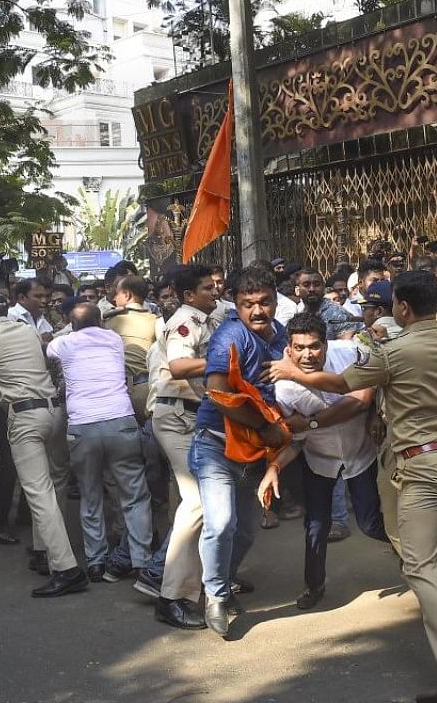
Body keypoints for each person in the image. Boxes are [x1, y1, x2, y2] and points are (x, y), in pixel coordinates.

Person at [269, 271, 437, 701]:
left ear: (401, 306)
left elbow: (342, 384)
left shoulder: (391, 353)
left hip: (422, 466)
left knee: (421, 565)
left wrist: (294, 372)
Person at [0, 287, 87, 597]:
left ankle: (66, 569)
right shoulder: (27, 331)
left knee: (39, 494)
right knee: (51, 485)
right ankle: (43, 551)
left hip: (25, 416)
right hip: (53, 411)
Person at [262, 313, 386, 610]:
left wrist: (366, 414)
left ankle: (416, 558)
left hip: (361, 453)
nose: (307, 355)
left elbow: (362, 397)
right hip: (319, 459)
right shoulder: (283, 388)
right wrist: (275, 467)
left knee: (371, 523)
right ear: (288, 350)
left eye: (315, 347)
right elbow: (295, 437)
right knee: (316, 525)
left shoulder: (351, 353)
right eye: (300, 348)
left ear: (326, 345)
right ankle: (313, 586)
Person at [190, 266, 288, 638]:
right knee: (220, 524)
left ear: (276, 301)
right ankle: (213, 596)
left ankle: (225, 582)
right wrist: (264, 426)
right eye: (248, 304)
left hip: (255, 451)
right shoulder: (231, 334)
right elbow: (216, 390)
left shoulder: (281, 337)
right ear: (236, 305)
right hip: (215, 442)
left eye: (264, 302)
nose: (258, 311)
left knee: (245, 533)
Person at [46, 303, 154, 581]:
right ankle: (141, 560)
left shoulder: (64, 343)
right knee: (134, 495)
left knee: (90, 495)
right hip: (121, 421)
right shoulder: (114, 340)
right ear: (101, 321)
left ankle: (96, 561)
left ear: (72, 324)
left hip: (82, 425)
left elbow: (49, 351)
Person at [152, 264, 224, 629]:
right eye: (207, 289)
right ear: (188, 295)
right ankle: (171, 596)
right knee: (197, 502)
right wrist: (225, 361)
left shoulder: (208, 317)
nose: (215, 292)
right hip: (177, 416)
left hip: (194, 416)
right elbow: (180, 366)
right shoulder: (186, 319)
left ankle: (206, 585)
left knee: (200, 504)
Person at [105, 275, 159, 421]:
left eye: (117, 294)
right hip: (149, 388)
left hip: (118, 391)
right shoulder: (156, 320)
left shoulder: (110, 321)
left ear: (127, 295)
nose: (114, 299)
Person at [295, 267, 362, 340]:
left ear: (323, 288)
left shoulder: (336, 312)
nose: (312, 289)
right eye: (306, 285)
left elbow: (348, 346)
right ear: (297, 290)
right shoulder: (300, 311)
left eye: (316, 284)